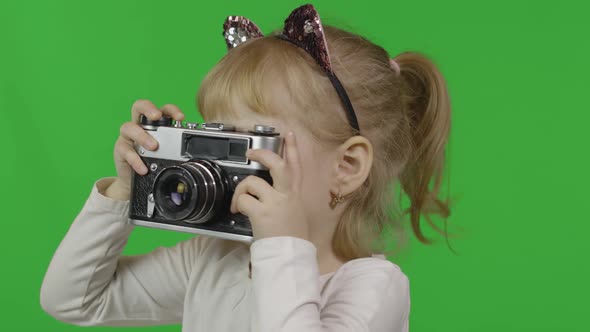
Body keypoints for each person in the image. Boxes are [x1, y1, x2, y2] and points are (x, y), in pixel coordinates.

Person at [40, 4, 451, 332]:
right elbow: (72, 300)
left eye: (253, 142)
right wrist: (123, 192)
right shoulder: (213, 260)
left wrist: (281, 246)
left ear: (346, 166)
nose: (226, 168)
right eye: (222, 141)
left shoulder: (373, 287)